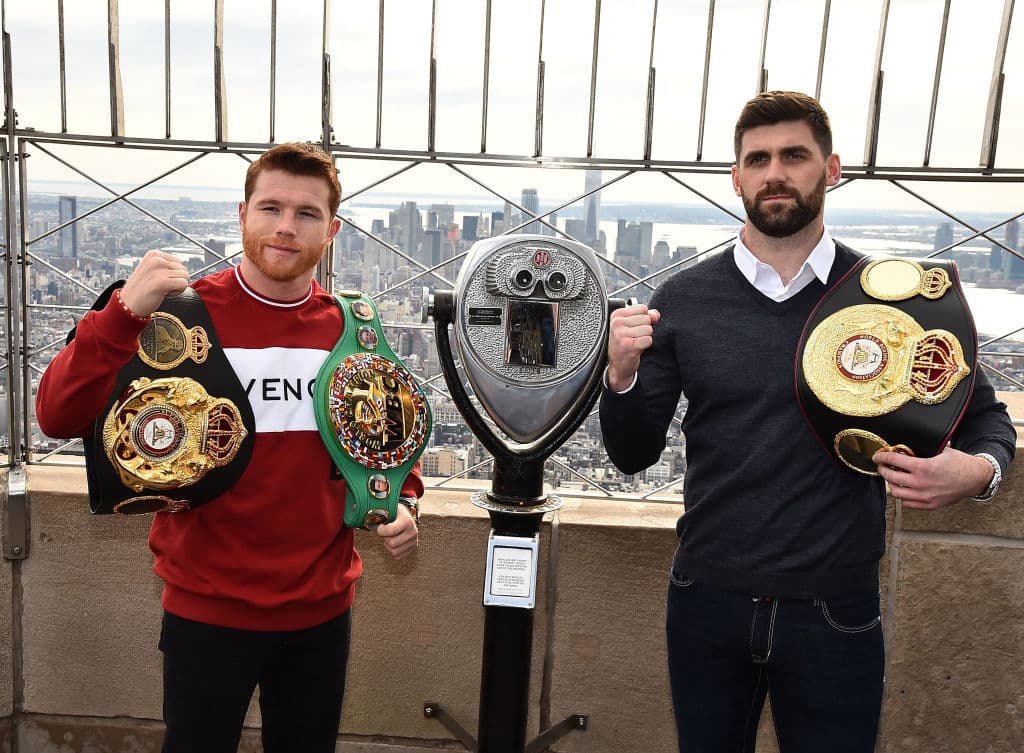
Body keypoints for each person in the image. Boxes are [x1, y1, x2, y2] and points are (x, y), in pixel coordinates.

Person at [599, 91, 1016, 753]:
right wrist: (619, 377)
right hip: (707, 597)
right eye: (757, 159)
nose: (775, 173)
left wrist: (974, 474)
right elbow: (631, 453)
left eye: (795, 155)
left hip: (835, 611)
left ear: (832, 169)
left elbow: (989, 424)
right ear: (735, 177)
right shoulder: (682, 297)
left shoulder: (895, 295)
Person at [36, 142, 424, 753]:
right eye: (270, 208)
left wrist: (402, 502)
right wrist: (120, 314)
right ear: (242, 214)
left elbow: (383, 440)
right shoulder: (179, 319)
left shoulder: (354, 329)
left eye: (307, 214)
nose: (285, 228)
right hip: (206, 614)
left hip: (321, 616)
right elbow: (58, 415)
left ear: (333, 230)